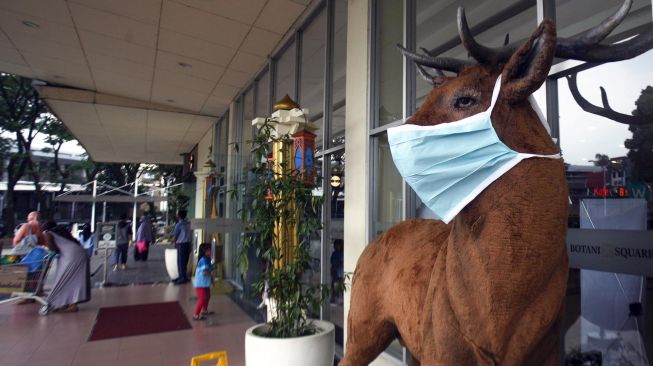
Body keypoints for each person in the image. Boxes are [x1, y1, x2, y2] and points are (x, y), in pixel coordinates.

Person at [39, 221, 91, 315]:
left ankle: (71, 305)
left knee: (64, 279)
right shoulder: (62, 232)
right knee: (74, 280)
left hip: (71, 256)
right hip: (79, 253)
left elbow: (53, 248)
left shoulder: (48, 233)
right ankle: (69, 303)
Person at [193, 242, 214, 320]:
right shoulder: (203, 260)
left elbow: (210, 269)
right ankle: (195, 314)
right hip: (200, 283)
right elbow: (205, 272)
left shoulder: (208, 259)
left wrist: (212, 279)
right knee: (202, 299)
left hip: (205, 283)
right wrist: (212, 277)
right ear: (204, 251)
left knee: (207, 296)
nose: (211, 251)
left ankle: (204, 310)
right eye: (209, 250)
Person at [172, 210, 192, 284]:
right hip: (188, 244)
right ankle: (183, 276)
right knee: (185, 261)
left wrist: (174, 243)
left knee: (181, 262)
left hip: (181, 244)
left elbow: (175, 236)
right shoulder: (189, 223)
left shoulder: (179, 225)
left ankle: (182, 278)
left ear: (179, 216)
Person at [330, 239, 344, 303]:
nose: (336, 247)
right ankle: (334, 297)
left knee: (341, 285)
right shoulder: (334, 254)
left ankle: (341, 297)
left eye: (338, 245)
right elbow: (332, 261)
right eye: (335, 245)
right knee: (334, 285)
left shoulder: (342, 253)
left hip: (340, 272)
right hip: (335, 271)